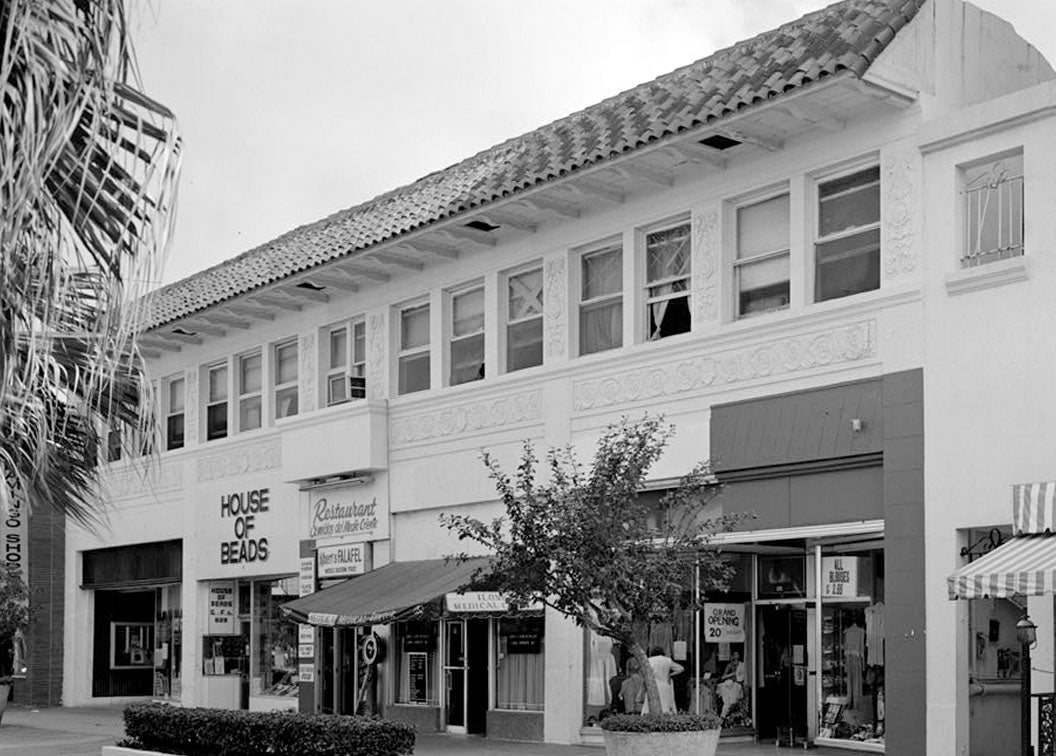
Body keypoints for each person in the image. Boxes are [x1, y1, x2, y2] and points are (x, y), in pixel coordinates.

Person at [641, 646, 684, 714]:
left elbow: (645, 673)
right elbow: (680, 668)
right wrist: (670, 675)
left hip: (653, 685)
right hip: (665, 685)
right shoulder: (667, 660)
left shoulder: (649, 660)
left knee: (650, 707)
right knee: (665, 706)